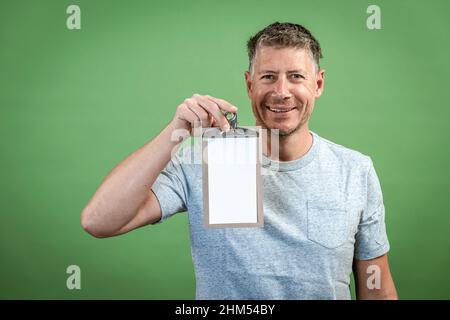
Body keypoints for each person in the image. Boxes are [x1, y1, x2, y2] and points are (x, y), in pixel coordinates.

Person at [81, 22, 398, 300]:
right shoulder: (204, 162)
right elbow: (99, 221)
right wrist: (174, 131)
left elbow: (377, 289)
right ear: (250, 85)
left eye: (296, 77)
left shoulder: (355, 171)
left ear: (318, 84)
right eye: (269, 77)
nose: (281, 91)